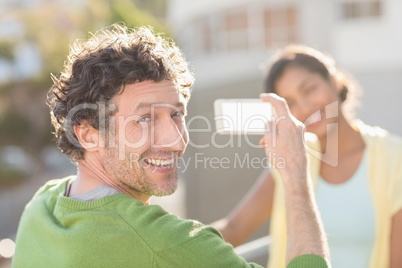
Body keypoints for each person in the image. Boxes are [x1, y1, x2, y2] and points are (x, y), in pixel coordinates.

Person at [12, 25, 330, 267]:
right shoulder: (159, 240)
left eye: (176, 114)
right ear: (88, 133)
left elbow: (183, 246)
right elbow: (166, 245)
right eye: (145, 120)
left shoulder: (44, 206)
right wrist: (297, 177)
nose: (176, 139)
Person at [211, 45, 402, 268]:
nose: (304, 107)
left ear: (334, 80)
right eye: (289, 102)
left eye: (309, 89)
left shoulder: (394, 158)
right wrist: (171, 240)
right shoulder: (292, 156)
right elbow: (235, 228)